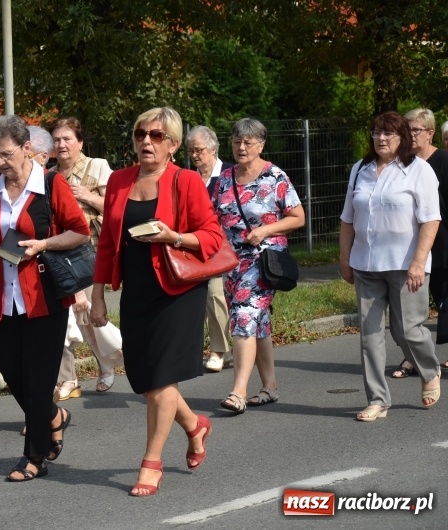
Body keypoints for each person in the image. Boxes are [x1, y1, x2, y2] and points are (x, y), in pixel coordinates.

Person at [90, 107, 221, 496]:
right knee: (146, 378)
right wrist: (97, 294)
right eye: (140, 134)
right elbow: (108, 244)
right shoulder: (118, 181)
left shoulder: (186, 181)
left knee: (162, 377)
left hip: (178, 291)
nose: (146, 141)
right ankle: (195, 425)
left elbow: (212, 237)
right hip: (138, 291)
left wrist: (175, 237)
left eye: (157, 136)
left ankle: (151, 462)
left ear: (174, 145)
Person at [0, 115, 90, 482]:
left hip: (45, 299)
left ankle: (34, 456)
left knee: (39, 381)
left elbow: (80, 232)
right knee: (9, 368)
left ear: (27, 149)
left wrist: (43, 245)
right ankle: (54, 417)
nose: (1, 162)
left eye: (6, 154)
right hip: (7, 301)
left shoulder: (51, 185)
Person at [339, 111, 442, 421]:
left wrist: (418, 262)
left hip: (405, 263)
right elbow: (347, 219)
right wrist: (345, 259)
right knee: (369, 335)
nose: (381, 138)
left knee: (407, 330)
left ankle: (429, 369)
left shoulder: (419, 171)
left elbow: (430, 220)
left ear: (402, 138)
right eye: (376, 133)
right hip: (366, 263)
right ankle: (378, 400)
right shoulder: (360, 170)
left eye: (388, 134)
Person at [213, 118, 305, 414]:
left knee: (243, 318)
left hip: (264, 261)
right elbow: (213, 218)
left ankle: (238, 391)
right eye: (237, 141)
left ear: (261, 145)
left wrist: (264, 231)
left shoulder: (275, 176)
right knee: (259, 324)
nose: (241, 147)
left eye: (248, 142)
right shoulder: (225, 178)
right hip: (232, 264)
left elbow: (298, 217)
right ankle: (270, 386)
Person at [50, 117, 123, 395]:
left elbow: (115, 207)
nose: (61, 144)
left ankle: (106, 364)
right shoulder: (50, 174)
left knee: (87, 313)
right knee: (66, 316)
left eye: (67, 138)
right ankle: (69, 378)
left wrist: (86, 196)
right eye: (57, 139)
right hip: (60, 255)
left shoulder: (97, 166)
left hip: (91, 252)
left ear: (80, 142)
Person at [391, 109, 448, 378]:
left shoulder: (444, 162)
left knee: (444, 298)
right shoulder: (402, 163)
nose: (410, 135)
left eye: (415, 130)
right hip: (412, 247)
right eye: (407, 130)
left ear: (430, 133)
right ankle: (411, 357)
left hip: (443, 242)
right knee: (410, 305)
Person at [186, 125, 233, 373]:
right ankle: (196, 350)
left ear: (213, 149)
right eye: (191, 150)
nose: (195, 155)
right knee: (195, 299)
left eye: (199, 150)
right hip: (193, 244)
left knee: (215, 295)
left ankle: (219, 350)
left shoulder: (228, 174)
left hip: (221, 246)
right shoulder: (189, 177)